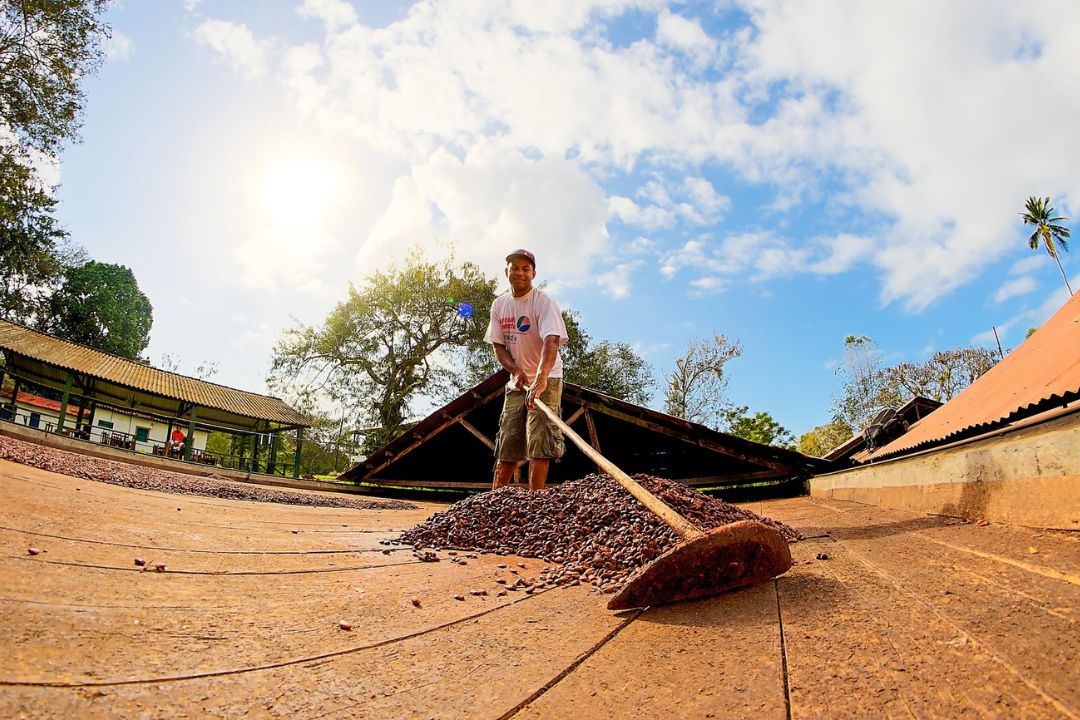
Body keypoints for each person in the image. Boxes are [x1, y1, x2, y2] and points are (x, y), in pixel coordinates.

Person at [483, 249, 569, 490]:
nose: (520, 272)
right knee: (508, 440)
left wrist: (540, 378)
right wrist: (515, 371)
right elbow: (498, 346)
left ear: (533, 273)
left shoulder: (543, 301)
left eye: (525, 268)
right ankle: (494, 499)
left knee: (540, 440)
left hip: (547, 378)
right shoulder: (499, 305)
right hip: (517, 383)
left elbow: (551, 341)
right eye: (515, 267)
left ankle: (535, 501)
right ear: (506, 271)